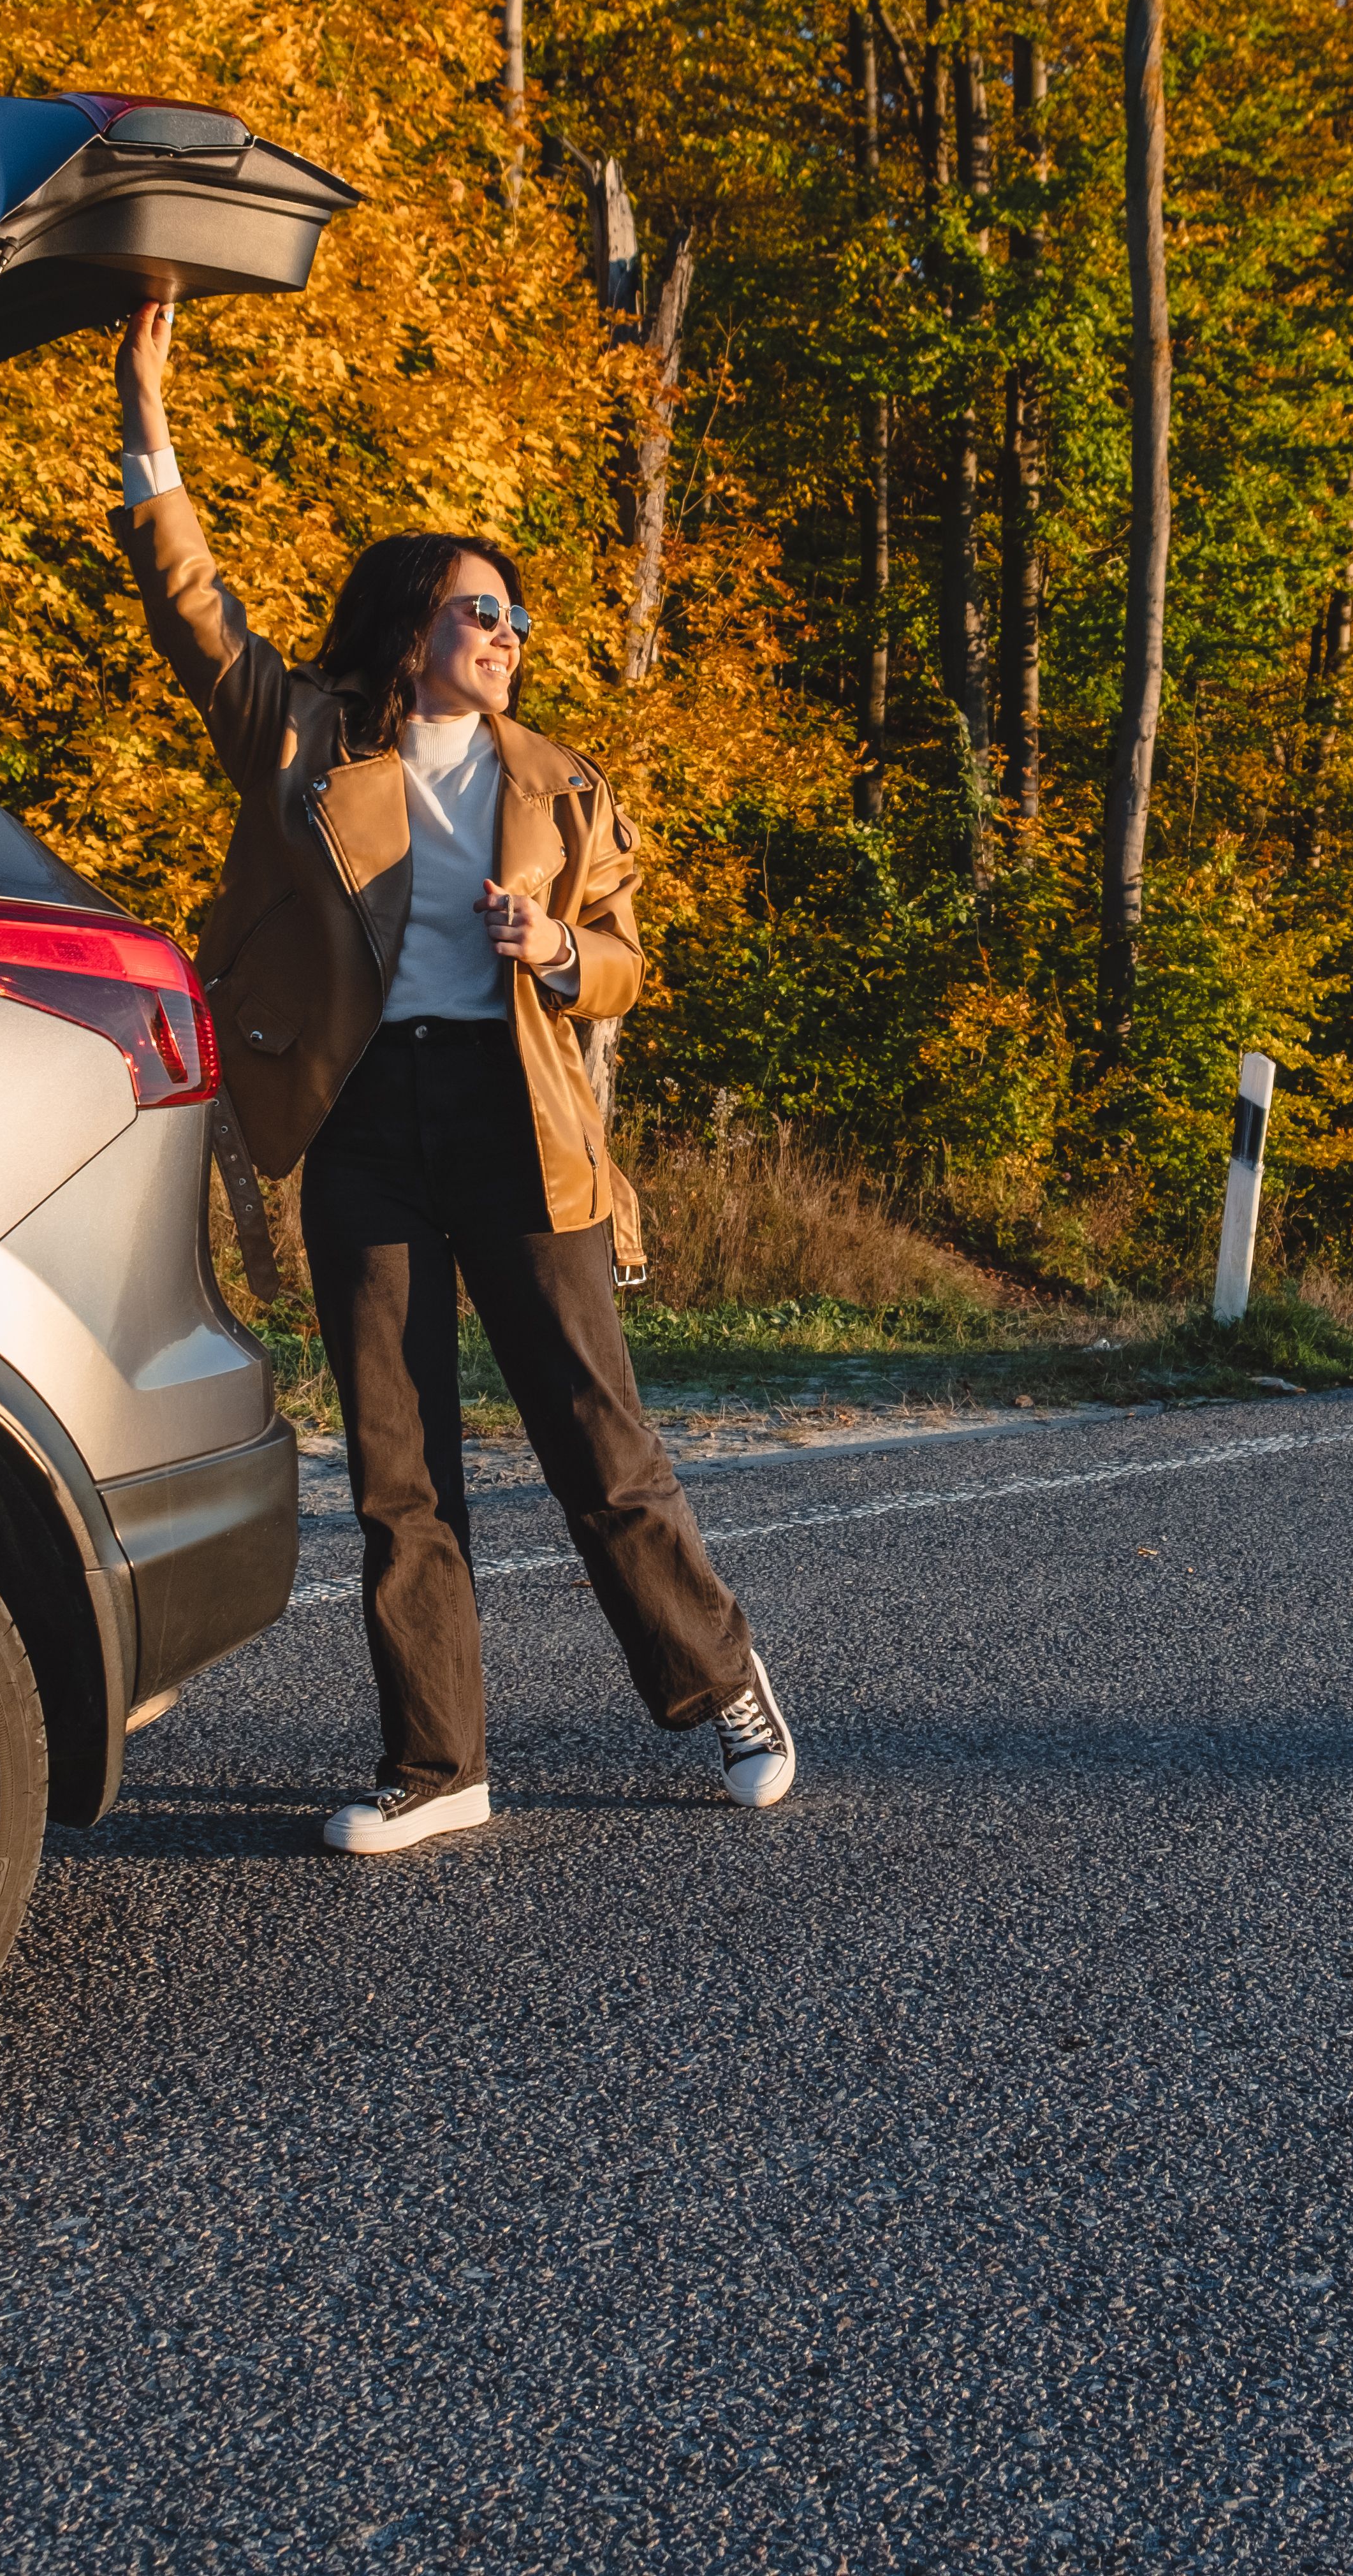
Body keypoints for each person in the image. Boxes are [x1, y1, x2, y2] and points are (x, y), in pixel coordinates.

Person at [106, 298, 794, 1854]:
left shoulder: (560, 786)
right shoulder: (302, 746)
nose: (505, 636)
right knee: (394, 1462)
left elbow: (624, 963)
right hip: (365, 1121)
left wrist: (557, 949)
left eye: (516, 619)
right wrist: (147, 413)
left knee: (595, 1439)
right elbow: (191, 601)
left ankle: (723, 1680)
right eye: (480, 611)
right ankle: (437, 1763)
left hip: (518, 1117)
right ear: (412, 619)